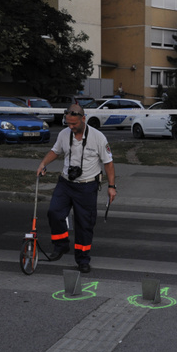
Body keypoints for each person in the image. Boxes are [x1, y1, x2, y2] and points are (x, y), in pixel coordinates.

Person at [36, 104, 117, 273]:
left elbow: (108, 163)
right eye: (68, 124)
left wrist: (111, 186)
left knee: (84, 225)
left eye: (74, 124)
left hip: (87, 186)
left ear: (83, 119)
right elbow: (55, 151)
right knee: (54, 212)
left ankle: (82, 260)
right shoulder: (64, 134)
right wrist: (43, 163)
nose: (71, 127)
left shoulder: (98, 137)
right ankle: (61, 245)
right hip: (65, 183)